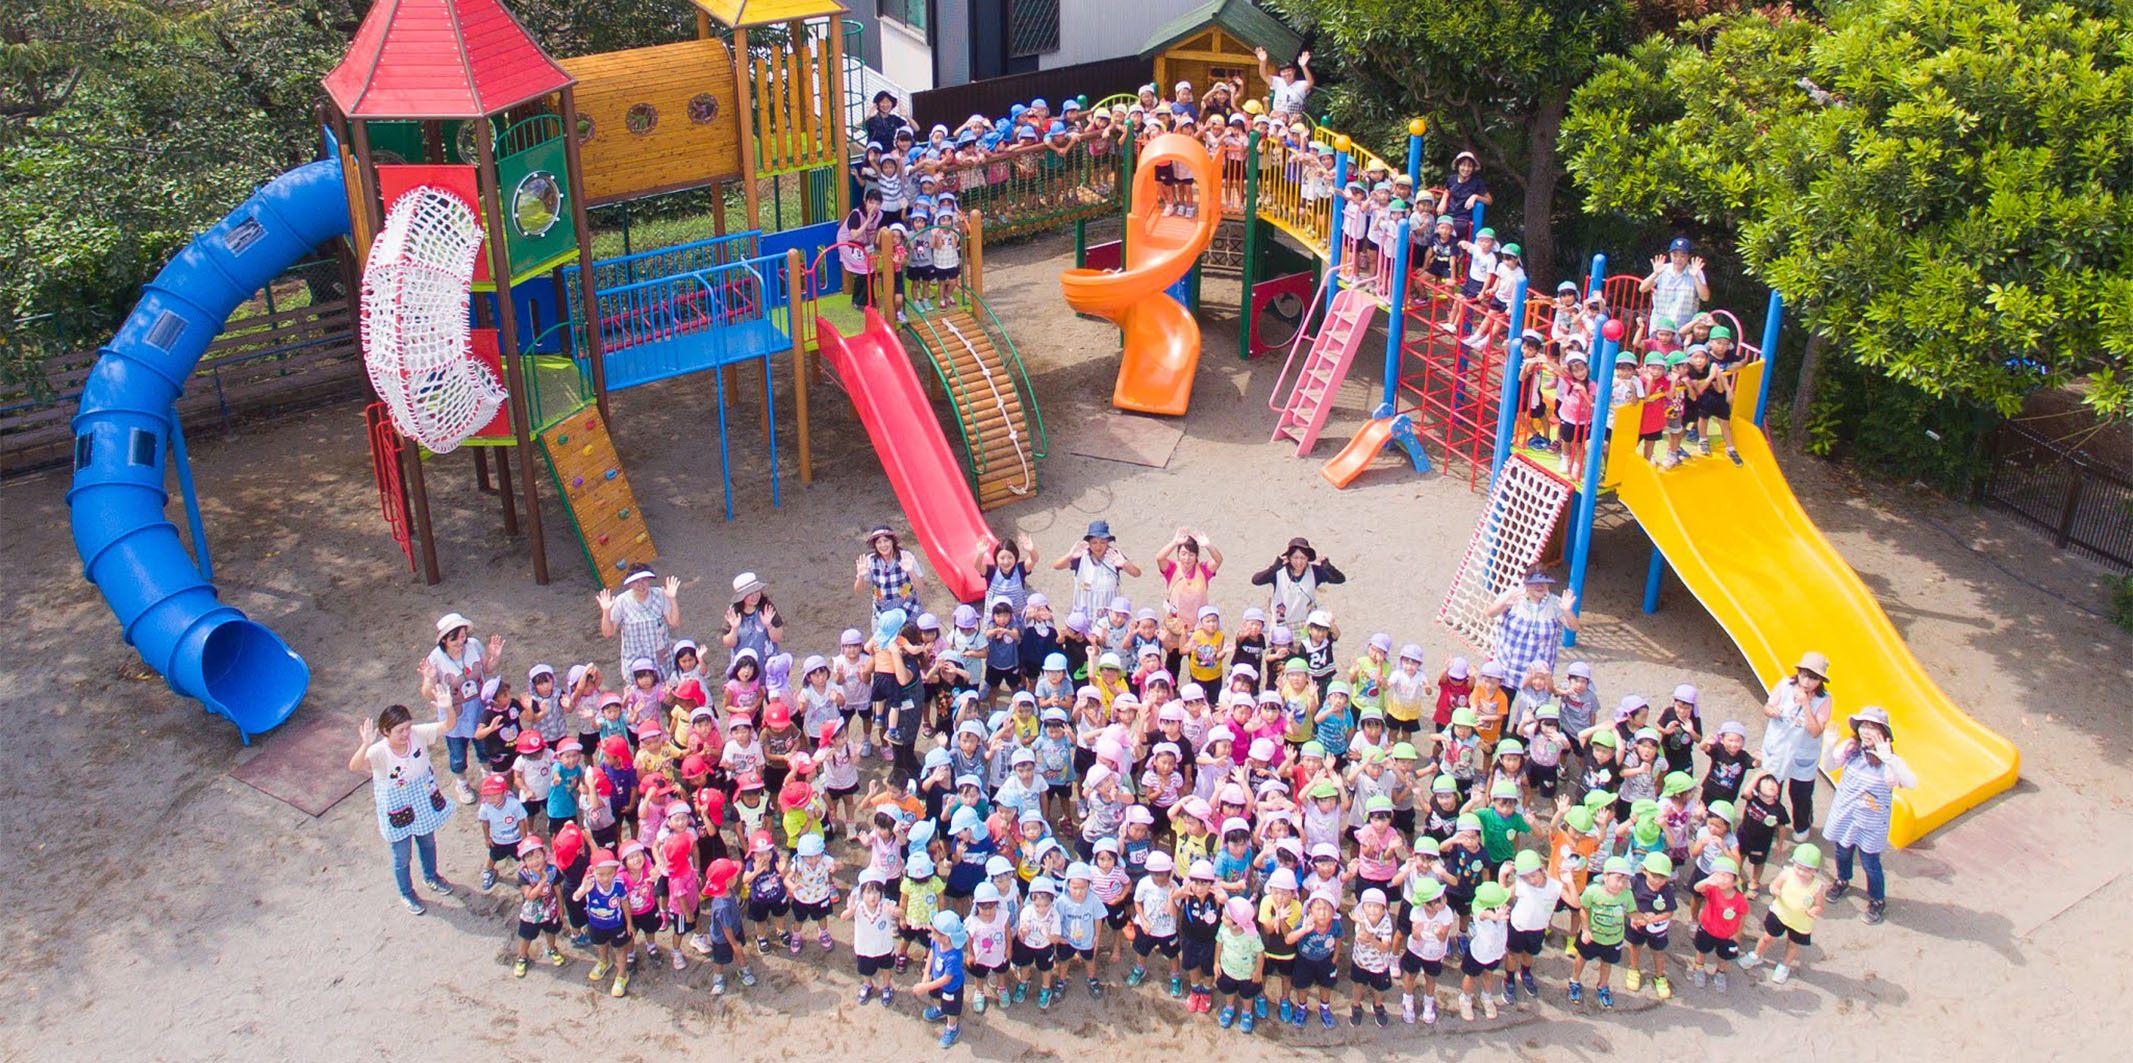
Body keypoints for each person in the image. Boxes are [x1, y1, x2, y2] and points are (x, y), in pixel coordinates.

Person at [349, 698, 459, 914]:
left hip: (422, 798)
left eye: (408, 728)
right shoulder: (379, 751)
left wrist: (447, 708)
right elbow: (354, 766)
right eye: (400, 730)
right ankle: (407, 893)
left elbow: (448, 725)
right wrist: (365, 745)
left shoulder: (417, 734)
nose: (406, 734)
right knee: (402, 856)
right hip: (397, 807)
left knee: (428, 842)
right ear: (386, 731)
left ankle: (432, 876)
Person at [1820, 705, 1915, 925]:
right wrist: (1829, 744)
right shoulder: (1851, 748)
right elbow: (1829, 765)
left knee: (1870, 862)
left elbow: (1911, 782)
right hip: (1847, 814)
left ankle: (1877, 901)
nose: (1866, 731)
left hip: (1871, 822)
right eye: (1863, 725)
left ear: (1883, 732)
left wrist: (1889, 758)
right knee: (1842, 851)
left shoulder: (1890, 761)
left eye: (1872, 726)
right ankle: (1842, 881)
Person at [422, 613, 502, 804]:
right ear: (444, 640)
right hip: (455, 715)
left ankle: (487, 773)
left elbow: (487, 668)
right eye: (454, 638)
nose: (461, 641)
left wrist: (495, 657)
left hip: (478, 709)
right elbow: (426, 691)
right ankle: (462, 782)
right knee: (457, 755)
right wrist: (431, 678)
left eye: (462, 636)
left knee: (484, 745)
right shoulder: (435, 658)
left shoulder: (473, 645)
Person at [1759, 650, 1833, 840]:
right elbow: (1767, 707)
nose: (1806, 682)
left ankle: (1802, 826)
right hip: (1779, 747)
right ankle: (1771, 821)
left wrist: (1806, 705)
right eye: (1804, 675)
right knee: (1771, 787)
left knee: (1800, 794)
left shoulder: (1824, 699)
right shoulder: (1785, 685)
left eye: (1813, 678)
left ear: (1820, 681)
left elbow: (1816, 730)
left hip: (1802, 753)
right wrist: (1772, 710)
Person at [1739, 843, 1827, 984]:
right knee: (1767, 937)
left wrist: (1814, 910)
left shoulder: (1818, 887)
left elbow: (1819, 905)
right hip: (1779, 913)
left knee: (1793, 945)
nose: (1801, 872)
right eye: (1798, 867)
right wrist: (1775, 890)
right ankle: (1756, 955)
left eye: (1807, 870)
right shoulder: (1787, 873)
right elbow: (1775, 885)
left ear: (1815, 871)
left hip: (1800, 922)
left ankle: (1784, 965)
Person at [1484, 571, 1578, 679]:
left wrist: (1567, 611)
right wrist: (1504, 604)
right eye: (1535, 582)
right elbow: (1490, 613)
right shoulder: (1515, 595)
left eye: (1544, 582)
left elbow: (1574, 627)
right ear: (1526, 584)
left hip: (1537, 674)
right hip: (1508, 667)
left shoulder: (1554, 602)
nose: (1540, 586)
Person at [597, 568, 680, 682]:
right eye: (636, 581)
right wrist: (606, 612)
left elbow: (675, 622)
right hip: (635, 659)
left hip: (659, 656)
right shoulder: (622, 601)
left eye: (644, 580)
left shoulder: (659, 595)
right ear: (630, 584)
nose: (640, 585)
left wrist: (672, 599)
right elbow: (608, 632)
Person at [1053, 520, 1141, 622]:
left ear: (1108, 542)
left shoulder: (1114, 555)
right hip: (1083, 614)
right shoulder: (1081, 555)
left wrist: (1124, 564)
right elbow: (1057, 566)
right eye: (1094, 542)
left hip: (1108, 617)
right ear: (1089, 542)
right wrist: (1070, 556)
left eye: (1102, 542)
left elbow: (1136, 573)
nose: (1098, 546)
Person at [1250, 536, 1346, 628]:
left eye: (1303, 558)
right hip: (1280, 624)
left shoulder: (1315, 572)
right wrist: (1273, 568)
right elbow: (1256, 581)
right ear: (1289, 558)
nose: (1299, 562)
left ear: (1308, 559)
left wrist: (1328, 567)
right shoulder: (1279, 572)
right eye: (1295, 558)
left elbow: (1340, 579)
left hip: (1305, 624)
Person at [1639, 237, 1710, 333]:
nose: (1678, 259)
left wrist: (1696, 277)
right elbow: (1642, 288)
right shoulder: (1662, 269)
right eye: (1675, 255)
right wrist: (1655, 274)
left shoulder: (1696, 272)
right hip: (1659, 327)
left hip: (1682, 328)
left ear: (1688, 256)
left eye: (1682, 256)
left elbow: (1705, 297)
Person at [1155, 526, 1224, 624]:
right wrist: (1175, 542)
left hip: (1200, 626)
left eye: (1191, 555)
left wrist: (1208, 545)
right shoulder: (1172, 569)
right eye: (1183, 554)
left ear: (1196, 556)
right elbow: (1159, 558)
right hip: (1176, 625)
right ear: (1178, 554)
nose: (1187, 558)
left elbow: (1218, 560)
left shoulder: (1203, 570)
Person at [856, 524, 925, 617]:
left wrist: (911, 571)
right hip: (882, 614)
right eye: (879, 542)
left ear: (892, 541)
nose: (883, 545)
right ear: (875, 545)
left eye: (886, 540)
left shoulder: (906, 557)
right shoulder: (870, 561)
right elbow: (858, 590)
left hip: (909, 610)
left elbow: (921, 588)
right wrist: (860, 576)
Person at [720, 571, 784, 668]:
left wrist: (769, 626)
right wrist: (734, 629)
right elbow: (729, 643)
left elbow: (777, 637)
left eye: (757, 591)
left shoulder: (766, 606)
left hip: (768, 666)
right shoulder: (733, 611)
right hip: (744, 669)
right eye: (750, 593)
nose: (755, 596)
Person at [1436, 151, 1492, 239]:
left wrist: (1475, 196)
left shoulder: (1477, 182)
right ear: (1458, 166)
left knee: (1447, 231)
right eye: (1463, 165)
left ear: (1473, 168)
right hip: (1447, 216)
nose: (1466, 169)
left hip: (1462, 219)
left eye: (1469, 166)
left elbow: (1489, 200)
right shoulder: (1452, 179)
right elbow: (1447, 190)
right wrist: (1443, 201)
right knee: (1435, 228)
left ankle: (1451, 251)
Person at [1255, 47, 1315, 120]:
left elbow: (1310, 82)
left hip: (1293, 119)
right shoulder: (1278, 82)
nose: (1286, 74)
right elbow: (1264, 75)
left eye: (1289, 71)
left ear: (1294, 71)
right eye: (1283, 72)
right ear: (1280, 73)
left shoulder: (1300, 84)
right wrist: (1263, 61)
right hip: (1277, 117)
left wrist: (1303, 66)